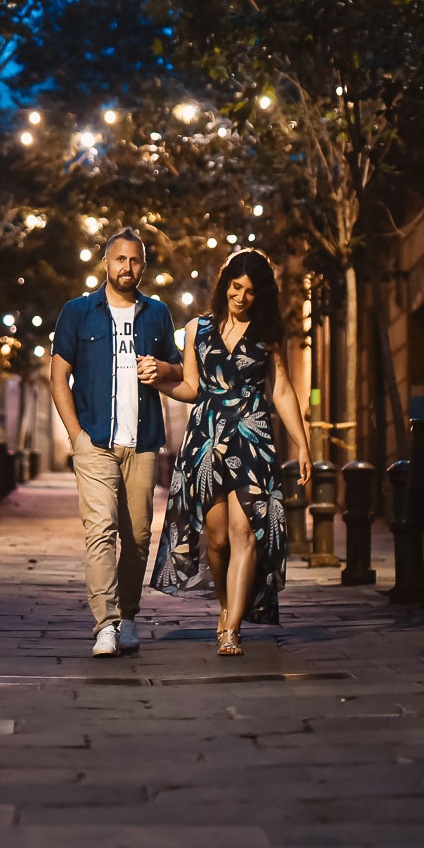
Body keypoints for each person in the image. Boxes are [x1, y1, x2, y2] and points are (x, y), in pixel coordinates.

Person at [151, 249, 310, 655]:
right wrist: (157, 383)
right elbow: (190, 388)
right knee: (217, 539)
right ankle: (226, 607)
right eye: (236, 288)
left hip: (254, 439)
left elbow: (282, 390)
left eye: (251, 292)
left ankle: (231, 630)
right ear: (224, 285)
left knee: (245, 534)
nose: (241, 297)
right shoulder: (196, 330)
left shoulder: (267, 334)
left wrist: (303, 443)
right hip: (206, 441)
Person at [49, 228, 184, 657]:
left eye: (136, 261)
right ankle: (104, 623)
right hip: (95, 441)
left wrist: (160, 367)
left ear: (144, 266)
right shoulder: (77, 312)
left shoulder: (158, 314)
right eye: (120, 259)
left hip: (142, 442)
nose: (128, 268)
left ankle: (127, 615)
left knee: (138, 536)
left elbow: (178, 373)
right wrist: (76, 437)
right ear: (106, 262)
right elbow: (58, 377)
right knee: (101, 531)